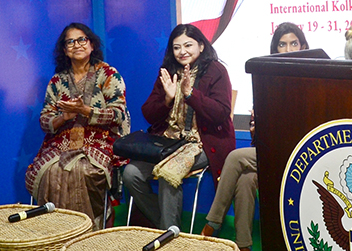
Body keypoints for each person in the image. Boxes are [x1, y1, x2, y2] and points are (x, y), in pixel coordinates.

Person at [202, 23, 310, 250]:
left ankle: (212, 222)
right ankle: (243, 245)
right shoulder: (267, 78)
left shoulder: (310, 76)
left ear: (303, 45)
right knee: (246, 180)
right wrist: (258, 121)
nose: (288, 49)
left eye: (293, 43)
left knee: (234, 158)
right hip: (270, 148)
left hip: (297, 152)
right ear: (275, 48)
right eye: (282, 44)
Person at [123, 24, 236, 230]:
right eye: (176, 47)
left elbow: (221, 114)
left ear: (201, 46)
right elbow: (148, 114)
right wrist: (167, 98)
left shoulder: (216, 70)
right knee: (131, 173)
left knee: (169, 173)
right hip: (168, 141)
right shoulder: (168, 72)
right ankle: (166, 227)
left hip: (202, 142)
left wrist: (191, 94)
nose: (182, 51)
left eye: (188, 45)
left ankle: (168, 235)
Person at [25, 23, 130, 230]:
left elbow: (118, 115)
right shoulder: (57, 81)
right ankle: (54, 232)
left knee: (82, 170)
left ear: (91, 45)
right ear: (64, 50)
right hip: (61, 142)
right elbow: (45, 121)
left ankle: (90, 230)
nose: (77, 45)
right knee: (51, 171)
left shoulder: (108, 74)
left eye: (82, 39)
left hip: (100, 141)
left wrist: (86, 111)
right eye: (70, 42)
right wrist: (65, 116)